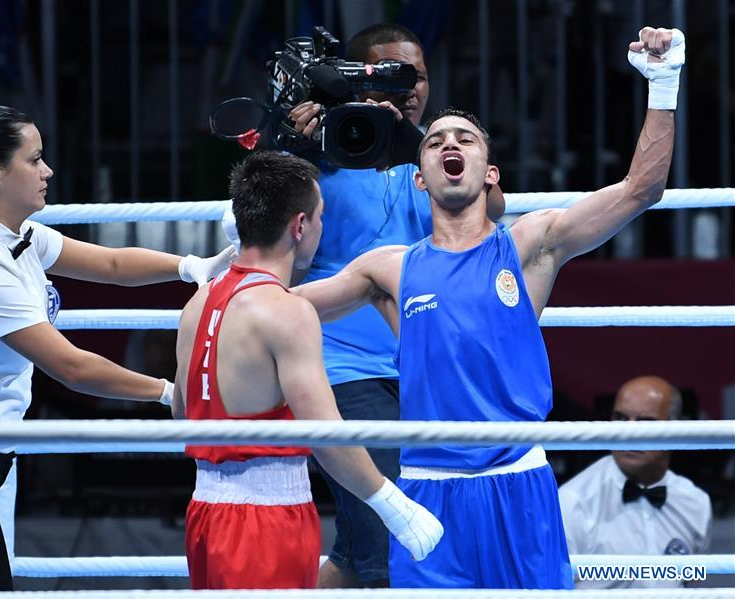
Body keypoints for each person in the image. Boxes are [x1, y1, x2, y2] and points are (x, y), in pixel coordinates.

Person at [292, 26, 684, 588]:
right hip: (426, 487)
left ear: (489, 173)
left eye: (465, 139)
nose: (449, 144)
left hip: (518, 482)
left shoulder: (530, 245)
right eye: (435, 141)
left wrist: (663, 83)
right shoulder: (389, 268)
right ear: (420, 179)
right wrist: (229, 262)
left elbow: (641, 188)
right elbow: (281, 309)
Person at [0, 104, 234, 592]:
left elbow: (110, 264)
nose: (49, 171)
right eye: (35, 159)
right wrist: (168, 392)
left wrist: (191, 267)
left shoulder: (14, 235)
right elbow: (70, 365)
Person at [288, 24, 504, 589]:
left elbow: (494, 209)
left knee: (365, 545)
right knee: (388, 536)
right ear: (354, 79)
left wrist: (416, 141)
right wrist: (295, 146)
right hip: (340, 368)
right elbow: (265, 229)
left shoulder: (439, 149)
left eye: (416, 76)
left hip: (419, 366)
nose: (406, 87)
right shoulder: (323, 148)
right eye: (387, 72)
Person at [171, 150, 444, 590]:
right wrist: (395, 506)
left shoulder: (197, 304)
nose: (322, 227)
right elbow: (326, 434)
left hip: (205, 511)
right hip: (268, 520)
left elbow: (183, 416)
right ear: (300, 225)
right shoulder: (288, 312)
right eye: (319, 217)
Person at [559, 376, 712, 589]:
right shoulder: (571, 501)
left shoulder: (697, 504)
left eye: (645, 422)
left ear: (676, 429)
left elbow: (693, 590)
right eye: (621, 419)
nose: (629, 432)